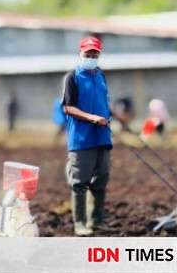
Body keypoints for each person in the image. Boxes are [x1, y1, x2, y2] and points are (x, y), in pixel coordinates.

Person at [62, 36, 112, 236]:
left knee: (101, 180)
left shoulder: (101, 76)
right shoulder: (72, 77)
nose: (91, 57)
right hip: (82, 138)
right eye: (87, 54)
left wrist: (111, 115)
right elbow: (67, 107)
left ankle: (97, 221)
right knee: (80, 182)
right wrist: (93, 118)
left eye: (95, 54)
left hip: (103, 136)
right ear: (80, 54)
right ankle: (80, 223)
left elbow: (103, 102)